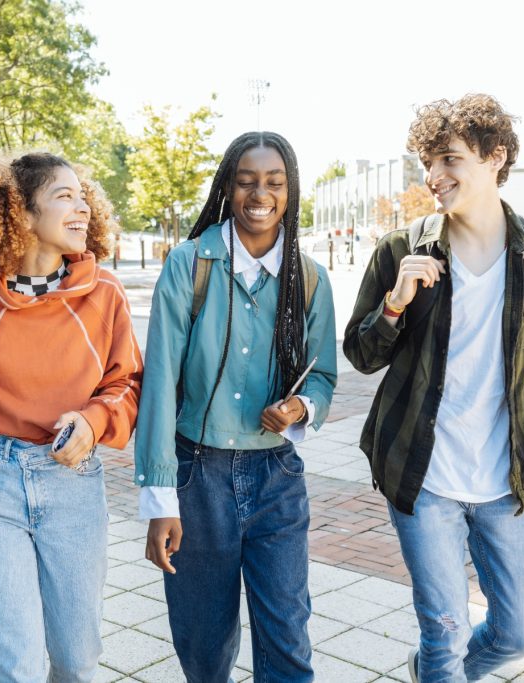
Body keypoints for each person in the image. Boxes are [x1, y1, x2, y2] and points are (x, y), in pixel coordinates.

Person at [342, 94, 524, 683]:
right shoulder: (403, 249)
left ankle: (431, 672)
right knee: (445, 633)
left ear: (494, 158)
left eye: (449, 159)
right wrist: (394, 304)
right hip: (422, 473)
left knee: (518, 634)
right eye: (427, 163)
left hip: (508, 477)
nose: (434, 176)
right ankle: (438, 668)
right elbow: (360, 353)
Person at [0, 151, 142, 682]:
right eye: (65, 196)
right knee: (14, 667)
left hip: (73, 484)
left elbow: (126, 383)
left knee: (77, 661)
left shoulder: (104, 292)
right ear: (21, 212)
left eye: (83, 196)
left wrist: (92, 421)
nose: (82, 206)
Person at [135, 131, 338, 682]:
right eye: (247, 180)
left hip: (278, 477)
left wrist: (300, 406)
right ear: (228, 186)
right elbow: (159, 384)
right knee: (204, 645)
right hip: (197, 479)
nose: (260, 193)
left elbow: (322, 376)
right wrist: (159, 498)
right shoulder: (188, 265)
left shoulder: (311, 278)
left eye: (275, 182)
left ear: (290, 191)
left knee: (288, 640)